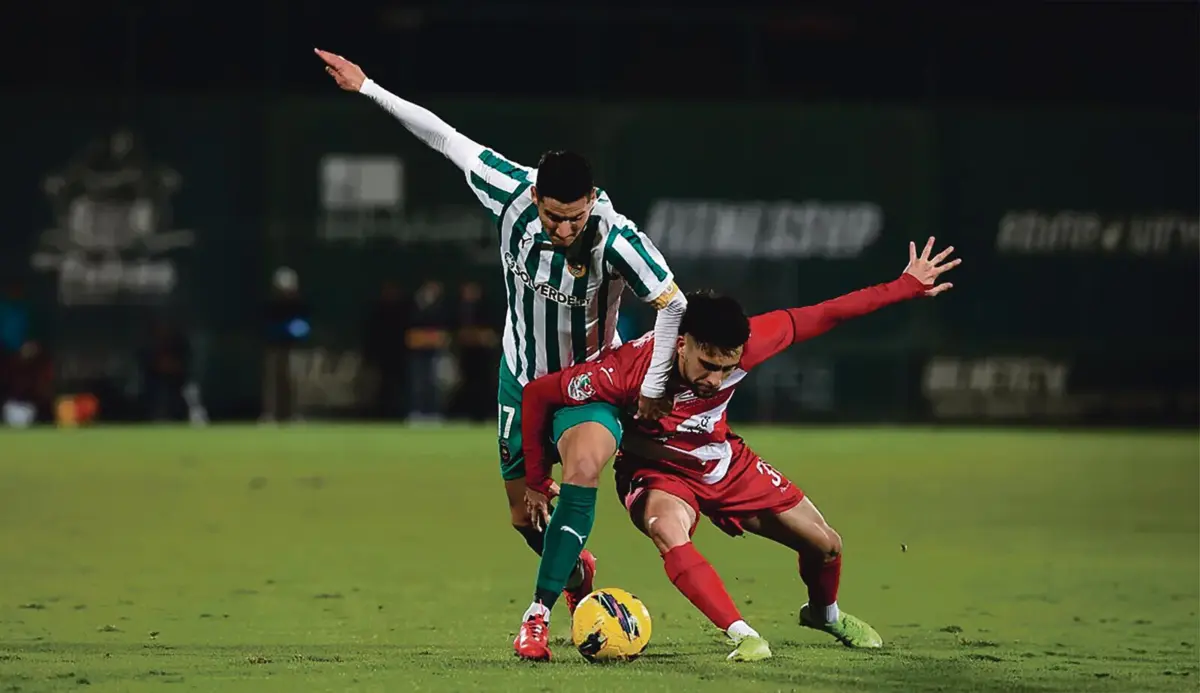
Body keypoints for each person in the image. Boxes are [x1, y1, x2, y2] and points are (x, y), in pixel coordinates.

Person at [317, 48, 689, 645]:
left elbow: (673, 305)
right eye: (552, 216)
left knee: (584, 468)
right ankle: (573, 571)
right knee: (524, 515)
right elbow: (444, 137)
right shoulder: (510, 192)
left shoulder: (618, 238)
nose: (563, 229)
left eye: (574, 217)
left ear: (591, 199)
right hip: (521, 377)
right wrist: (367, 88)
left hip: (587, 381)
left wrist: (649, 387)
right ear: (535, 197)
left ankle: (537, 616)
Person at [518, 238, 961, 661]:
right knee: (669, 530)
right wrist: (537, 480)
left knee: (826, 546)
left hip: (723, 463)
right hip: (656, 472)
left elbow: (827, 314)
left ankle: (824, 615)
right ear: (682, 342)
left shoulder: (751, 344)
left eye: (725, 368)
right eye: (707, 365)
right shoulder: (627, 371)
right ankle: (742, 634)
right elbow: (539, 393)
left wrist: (904, 286)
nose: (714, 379)